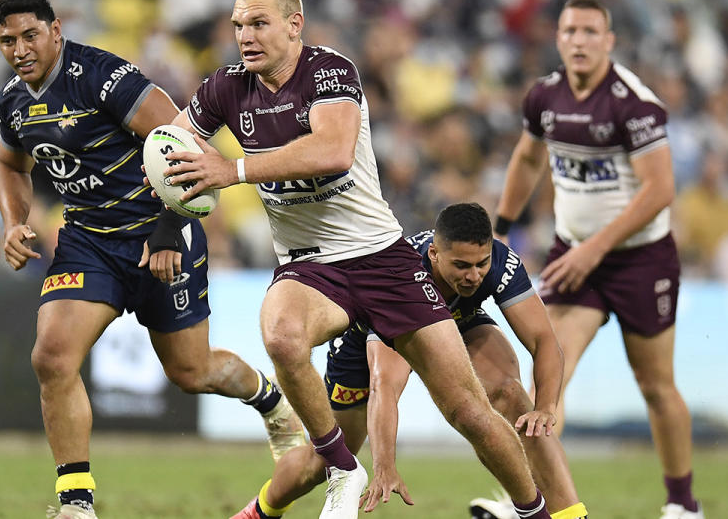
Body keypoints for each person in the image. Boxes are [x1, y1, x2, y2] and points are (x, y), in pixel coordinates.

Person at [151, 0, 552, 518]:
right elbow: (171, 149)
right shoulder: (224, 87)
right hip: (310, 267)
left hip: (381, 257)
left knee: (469, 411)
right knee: (282, 333)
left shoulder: (330, 71)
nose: (245, 36)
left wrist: (234, 170)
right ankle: (342, 466)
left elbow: (334, 150)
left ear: (294, 25)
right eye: (238, 25)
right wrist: (161, 224)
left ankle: (535, 513)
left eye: (259, 23)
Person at [0, 0, 304, 519]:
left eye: (29, 35)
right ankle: (76, 503)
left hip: (160, 234)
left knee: (192, 371)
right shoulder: (12, 101)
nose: (19, 49)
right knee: (52, 356)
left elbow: (191, 150)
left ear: (56, 30)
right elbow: (9, 164)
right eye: (7, 41)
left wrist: (166, 231)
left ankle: (272, 403)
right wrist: (14, 222)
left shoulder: (105, 79)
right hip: (88, 243)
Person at [230, 203, 590, 519]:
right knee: (318, 465)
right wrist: (384, 465)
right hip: (373, 339)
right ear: (433, 254)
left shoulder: (500, 263)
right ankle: (260, 511)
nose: (474, 276)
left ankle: (568, 514)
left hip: (455, 322)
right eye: (462, 266)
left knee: (511, 397)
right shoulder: (400, 276)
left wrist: (546, 406)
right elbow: (384, 385)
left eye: (481, 264)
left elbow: (544, 340)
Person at [494, 0, 703, 519]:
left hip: (640, 259)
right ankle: (530, 503)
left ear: (609, 41)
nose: (580, 41)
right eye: (571, 31)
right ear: (558, 39)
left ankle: (682, 504)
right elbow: (526, 158)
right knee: (549, 380)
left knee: (655, 385)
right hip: (574, 257)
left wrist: (595, 249)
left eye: (591, 31)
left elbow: (660, 191)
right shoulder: (544, 96)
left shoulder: (633, 104)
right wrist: (501, 228)